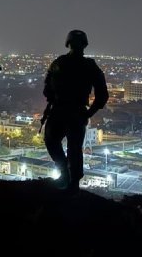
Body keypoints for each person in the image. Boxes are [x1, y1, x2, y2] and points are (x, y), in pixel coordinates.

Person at [42, 30, 109, 194]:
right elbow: (48, 88)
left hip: (70, 111)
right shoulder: (83, 65)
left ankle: (70, 180)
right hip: (67, 111)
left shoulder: (62, 63)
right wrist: (89, 113)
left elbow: (102, 95)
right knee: (63, 145)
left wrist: (88, 113)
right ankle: (68, 177)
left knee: (69, 147)